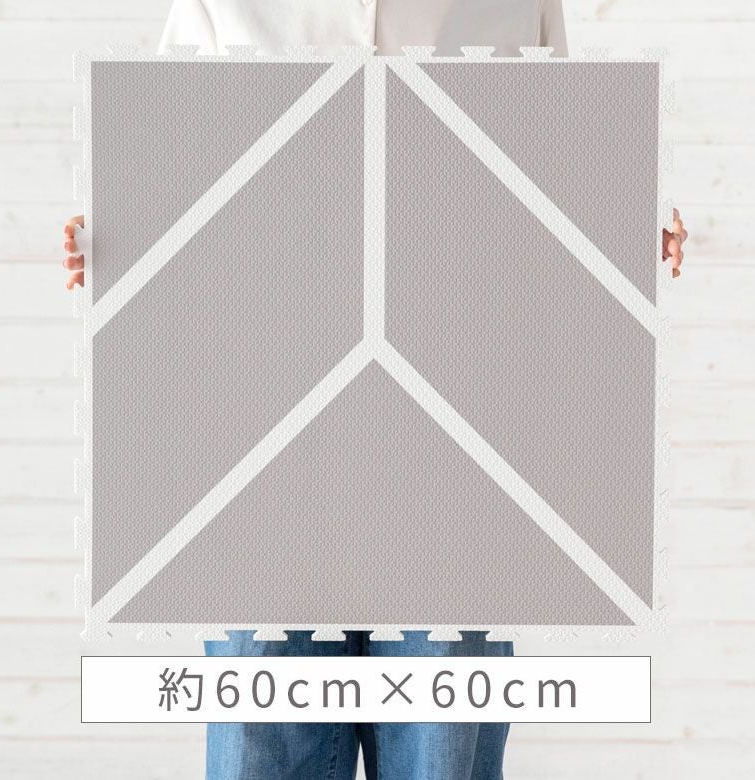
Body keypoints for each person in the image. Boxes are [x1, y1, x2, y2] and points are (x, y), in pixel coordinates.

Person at [62, 1, 688, 777]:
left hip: (452, 467)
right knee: (263, 753)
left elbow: (553, 173)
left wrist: (623, 226)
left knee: (440, 757)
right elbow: (164, 162)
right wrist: (109, 234)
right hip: (266, 468)